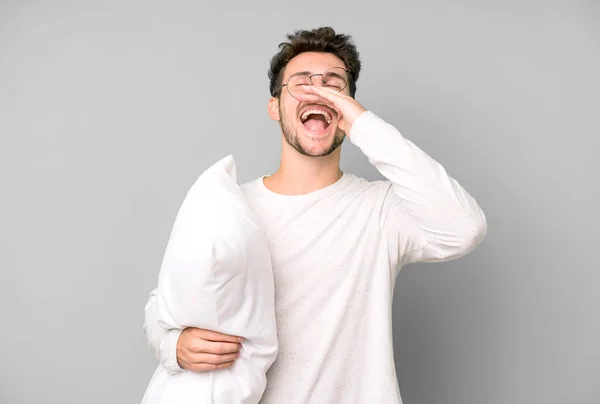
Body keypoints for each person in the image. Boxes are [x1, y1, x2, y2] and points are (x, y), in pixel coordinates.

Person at [143, 26, 487, 404]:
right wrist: (172, 345)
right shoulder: (231, 208)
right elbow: (164, 302)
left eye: (333, 85)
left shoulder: (381, 210)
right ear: (274, 107)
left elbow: (463, 229)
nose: (318, 90)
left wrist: (364, 125)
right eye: (302, 83)